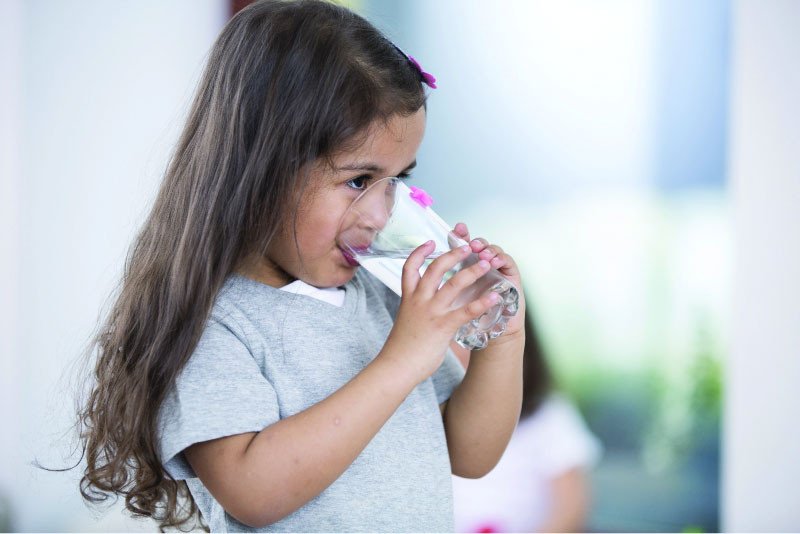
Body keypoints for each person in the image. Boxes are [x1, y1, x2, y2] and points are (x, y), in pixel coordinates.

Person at [75, 1, 526, 532]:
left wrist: (503, 338)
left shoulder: (378, 297)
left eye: (398, 180)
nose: (380, 214)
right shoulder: (216, 322)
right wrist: (402, 360)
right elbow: (253, 493)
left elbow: (469, 455)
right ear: (261, 169)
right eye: (358, 181)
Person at [451, 307, 602, 533]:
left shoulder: (547, 413)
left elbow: (572, 504)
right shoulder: (426, 413)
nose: (459, 347)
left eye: (476, 334)